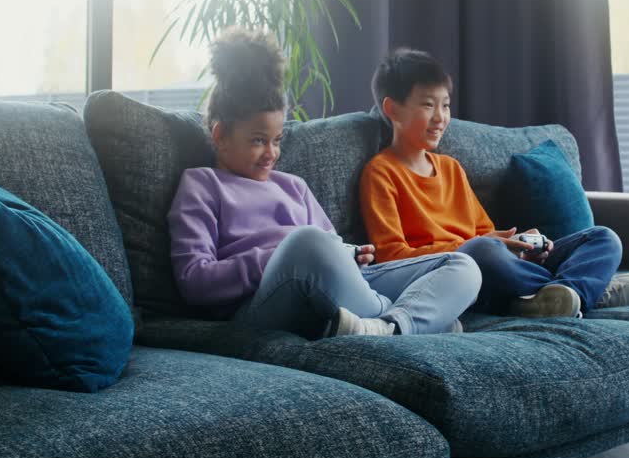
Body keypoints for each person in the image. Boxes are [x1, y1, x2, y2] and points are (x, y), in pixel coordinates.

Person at [168, 29, 480, 337]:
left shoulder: (293, 186)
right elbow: (195, 281)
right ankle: (418, 319)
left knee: (462, 265)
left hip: (334, 290)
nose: (271, 154)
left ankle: (393, 327)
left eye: (277, 140)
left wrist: (352, 254)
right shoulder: (202, 185)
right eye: (258, 141)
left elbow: (333, 250)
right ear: (220, 135)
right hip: (262, 303)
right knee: (306, 242)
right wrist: (278, 255)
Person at [358, 47, 629, 318]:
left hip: (500, 265)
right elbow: (390, 257)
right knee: (480, 253)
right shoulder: (381, 173)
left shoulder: (450, 168)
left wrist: (519, 243)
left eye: (445, 106)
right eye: (427, 105)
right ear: (393, 110)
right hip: (457, 271)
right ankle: (584, 289)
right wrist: (474, 245)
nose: (440, 117)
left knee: (602, 238)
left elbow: (486, 232)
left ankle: (559, 295)